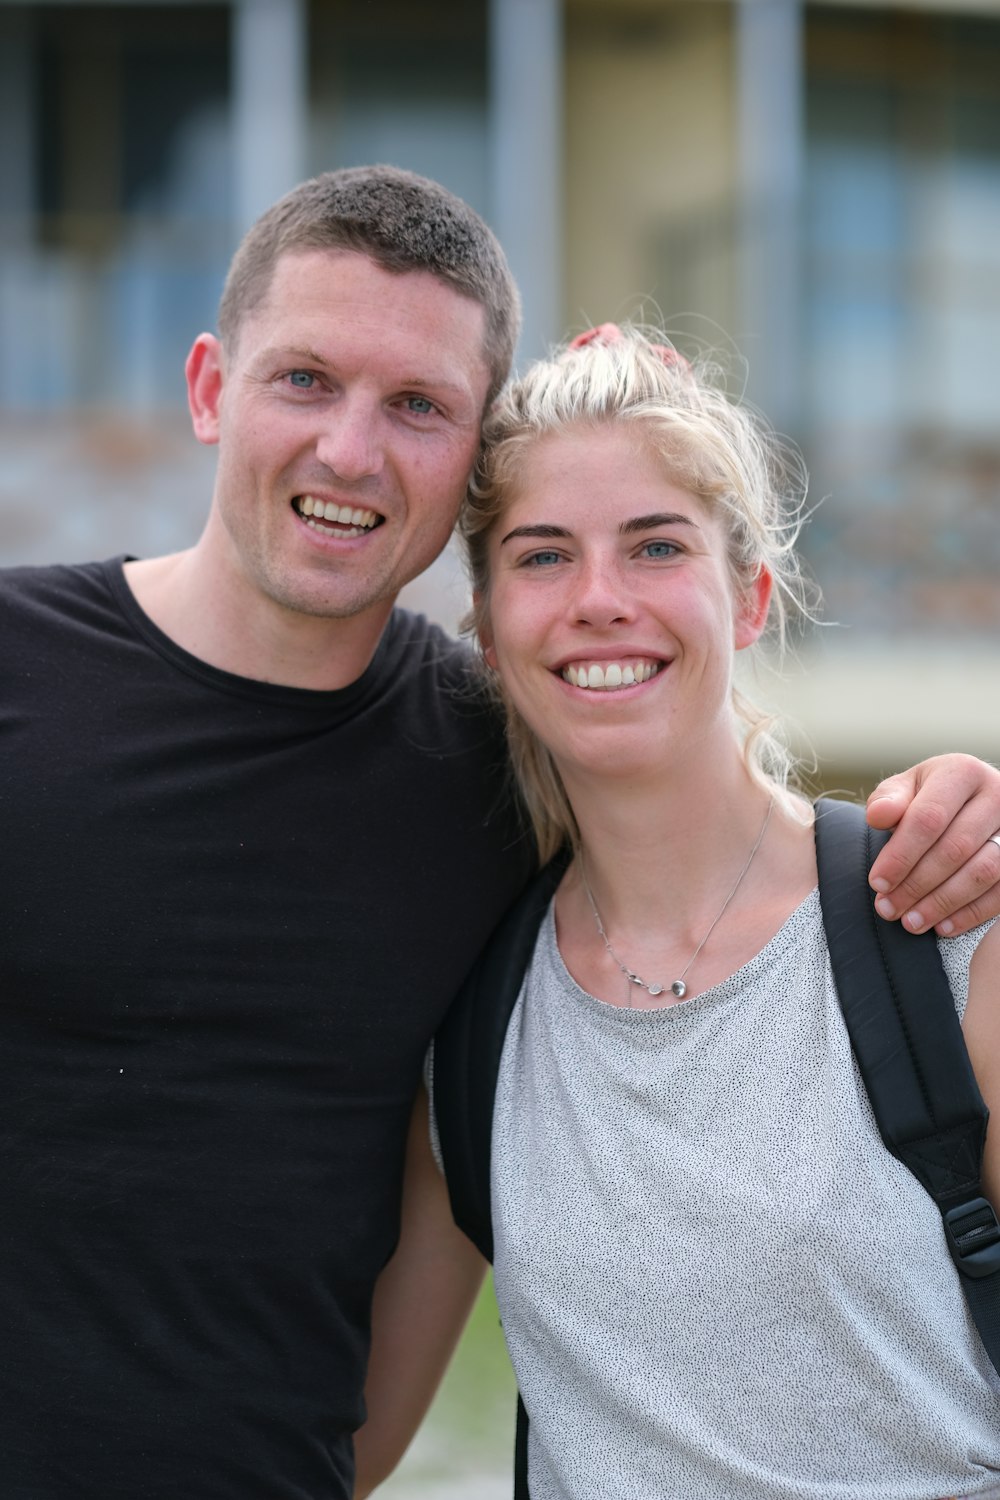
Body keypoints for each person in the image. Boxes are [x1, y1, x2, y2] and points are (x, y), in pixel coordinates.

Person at [0, 169, 997, 1500]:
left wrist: (963, 802)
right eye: (304, 379)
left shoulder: (500, 764)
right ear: (207, 389)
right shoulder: (23, 668)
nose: (351, 452)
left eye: (415, 405)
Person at [358, 326, 1000, 1499]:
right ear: (489, 635)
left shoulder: (944, 927)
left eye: (655, 546)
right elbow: (328, 1446)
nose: (601, 601)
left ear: (749, 597)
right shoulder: (475, 1028)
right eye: (543, 557)